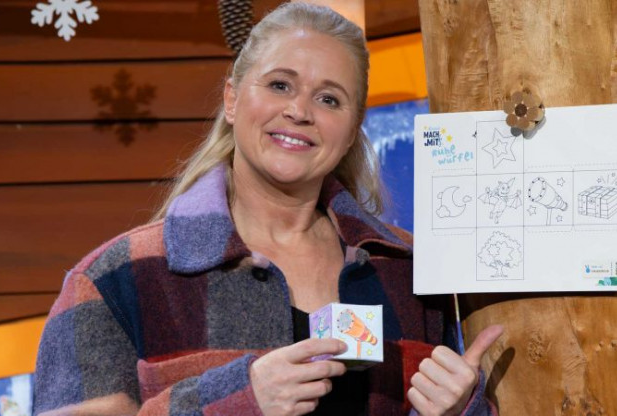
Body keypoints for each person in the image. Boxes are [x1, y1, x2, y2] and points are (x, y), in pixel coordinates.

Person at [32, 3, 502, 415]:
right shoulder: (113, 280)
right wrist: (237, 401)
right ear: (232, 99)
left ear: (352, 129)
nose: (299, 111)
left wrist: (464, 409)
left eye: (329, 99)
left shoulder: (410, 269)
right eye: (280, 85)